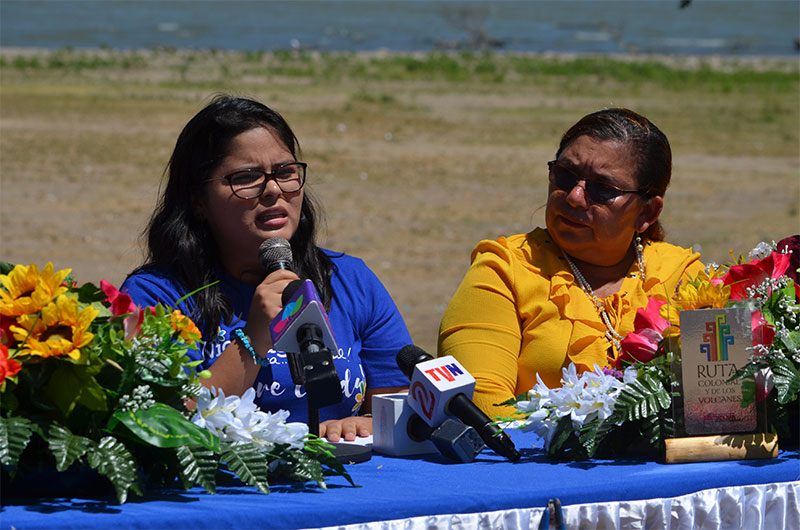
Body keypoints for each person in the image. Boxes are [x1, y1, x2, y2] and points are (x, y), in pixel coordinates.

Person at [122, 95, 411, 441]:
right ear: (198, 202)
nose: (273, 190)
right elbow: (163, 423)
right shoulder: (155, 296)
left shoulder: (350, 280)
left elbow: (401, 403)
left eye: (286, 172)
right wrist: (254, 339)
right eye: (247, 177)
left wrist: (367, 425)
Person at [438, 108, 705, 418]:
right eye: (565, 175)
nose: (575, 197)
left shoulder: (685, 277)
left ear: (647, 213)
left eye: (602, 188)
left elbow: (720, 397)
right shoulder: (505, 269)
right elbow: (479, 407)